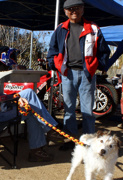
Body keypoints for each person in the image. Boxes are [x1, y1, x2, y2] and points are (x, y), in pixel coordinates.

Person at [47, 0, 110, 150]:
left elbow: (104, 51)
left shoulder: (93, 28)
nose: (73, 11)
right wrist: (54, 65)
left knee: (87, 111)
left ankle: (88, 144)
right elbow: (52, 50)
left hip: (87, 74)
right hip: (67, 74)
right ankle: (70, 140)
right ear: (65, 11)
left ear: (83, 9)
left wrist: (96, 66)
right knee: (68, 109)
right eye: (70, 9)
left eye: (77, 8)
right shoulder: (60, 29)